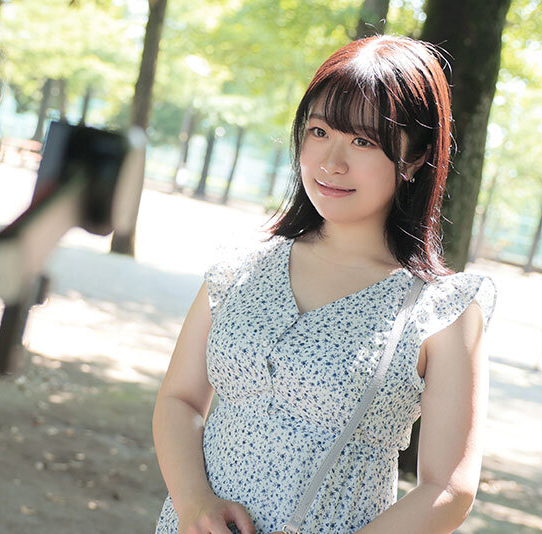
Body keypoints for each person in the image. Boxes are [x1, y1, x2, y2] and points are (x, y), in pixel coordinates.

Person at [151, 34, 497, 534]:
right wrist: (194, 503)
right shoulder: (241, 267)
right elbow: (179, 399)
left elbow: (448, 488)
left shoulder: (442, 309)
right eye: (319, 131)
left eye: (363, 141)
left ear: (415, 158)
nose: (332, 162)